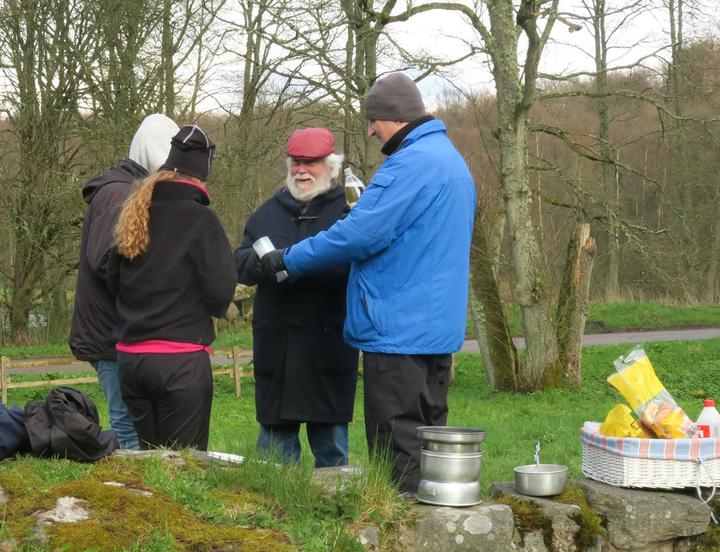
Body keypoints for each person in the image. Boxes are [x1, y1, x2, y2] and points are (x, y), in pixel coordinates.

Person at [260, 73, 476, 492]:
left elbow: (358, 233)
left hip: (398, 330)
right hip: (435, 329)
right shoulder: (450, 160)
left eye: (373, 120)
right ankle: (434, 528)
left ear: (391, 116)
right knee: (430, 442)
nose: (372, 129)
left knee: (398, 452)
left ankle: (404, 539)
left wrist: (288, 259)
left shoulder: (410, 164)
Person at [233, 128, 359, 468]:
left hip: (328, 345)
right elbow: (240, 263)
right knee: (274, 461)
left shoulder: (350, 213)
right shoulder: (265, 214)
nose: (301, 171)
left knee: (333, 456)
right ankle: (272, 517)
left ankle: (335, 520)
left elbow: (361, 265)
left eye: (311, 163)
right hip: (278, 348)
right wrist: (264, 264)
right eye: (296, 163)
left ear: (331, 166)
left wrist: (304, 263)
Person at [106, 125, 237, 451]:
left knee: (152, 466)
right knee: (185, 466)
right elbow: (222, 290)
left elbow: (111, 278)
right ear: (200, 178)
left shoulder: (134, 212)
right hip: (179, 362)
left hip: (132, 361)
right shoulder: (200, 220)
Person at [69, 114, 179, 450]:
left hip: (125, 330)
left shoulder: (132, 191)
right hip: (110, 332)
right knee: (128, 424)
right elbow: (108, 262)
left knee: (139, 421)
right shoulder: (117, 195)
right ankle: (136, 489)